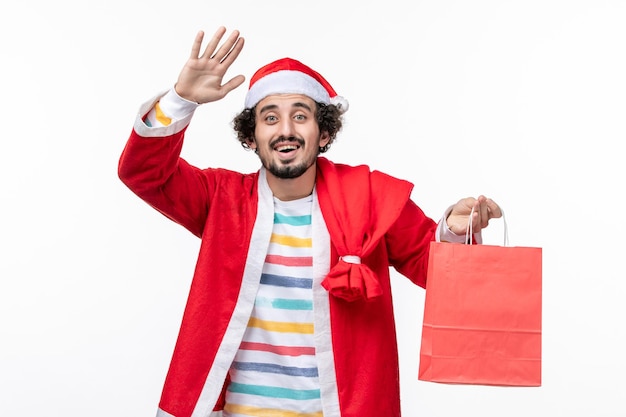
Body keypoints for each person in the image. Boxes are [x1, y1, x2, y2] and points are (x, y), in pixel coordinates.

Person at [118, 26, 502, 417]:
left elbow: (430, 263)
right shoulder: (221, 198)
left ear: (324, 133)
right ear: (251, 137)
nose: (286, 130)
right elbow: (144, 174)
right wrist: (179, 100)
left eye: (300, 116)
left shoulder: (369, 197)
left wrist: (455, 230)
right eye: (270, 118)